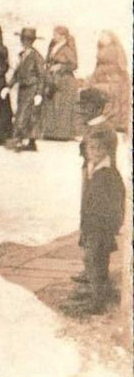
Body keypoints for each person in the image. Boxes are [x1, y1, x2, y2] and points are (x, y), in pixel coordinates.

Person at [70, 130, 124, 314]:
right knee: (91, 260)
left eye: (99, 148)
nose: (94, 151)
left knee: (96, 262)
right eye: (91, 148)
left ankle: (98, 301)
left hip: (101, 227)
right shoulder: (93, 169)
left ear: (107, 150)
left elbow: (118, 201)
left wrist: (113, 224)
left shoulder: (108, 173)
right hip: (90, 225)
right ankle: (97, 294)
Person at [6, 27, 46, 152]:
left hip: (32, 88)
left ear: (31, 41)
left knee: (25, 114)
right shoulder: (23, 55)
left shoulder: (36, 56)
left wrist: (39, 93)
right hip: (23, 88)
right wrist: (9, 86)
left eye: (27, 39)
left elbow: (41, 76)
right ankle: (30, 141)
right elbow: (17, 73)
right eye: (23, 39)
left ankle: (19, 139)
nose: (24, 41)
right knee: (24, 113)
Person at [41, 26, 80, 141]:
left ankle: (62, 134)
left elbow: (74, 65)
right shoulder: (53, 47)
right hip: (53, 80)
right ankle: (51, 132)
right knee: (52, 106)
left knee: (61, 107)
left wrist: (61, 67)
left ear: (62, 36)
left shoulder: (67, 49)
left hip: (64, 81)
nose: (53, 36)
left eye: (56, 34)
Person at [87, 30, 129, 134]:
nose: (101, 38)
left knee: (111, 101)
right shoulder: (102, 49)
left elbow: (119, 66)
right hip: (103, 79)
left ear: (110, 38)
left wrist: (103, 73)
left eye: (104, 36)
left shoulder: (114, 50)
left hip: (112, 80)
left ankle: (110, 122)